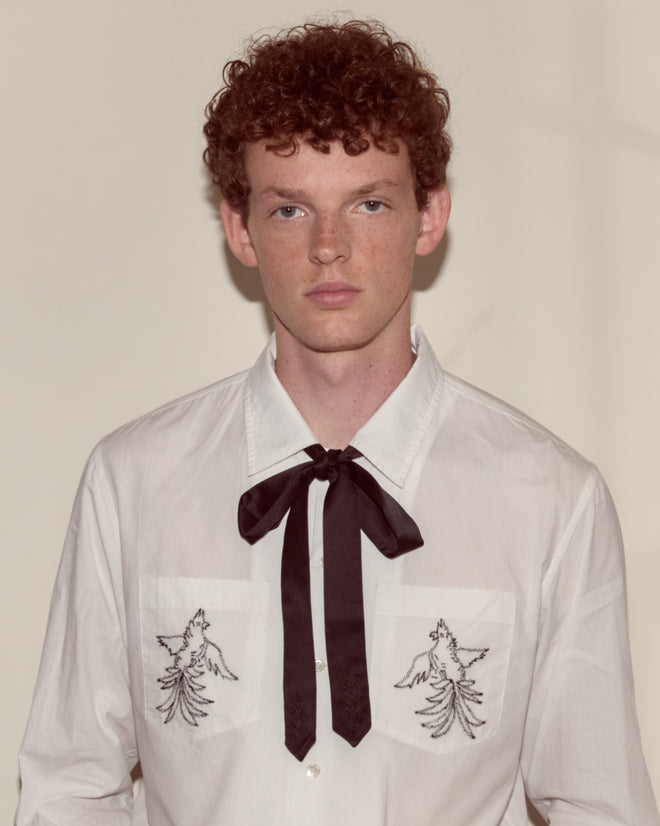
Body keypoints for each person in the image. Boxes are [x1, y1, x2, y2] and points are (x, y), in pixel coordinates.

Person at [16, 19, 659, 826]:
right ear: (240, 230)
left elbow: (601, 808)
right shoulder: (133, 481)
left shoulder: (551, 500)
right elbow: (68, 788)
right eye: (289, 210)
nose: (328, 248)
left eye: (369, 204)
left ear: (429, 218)